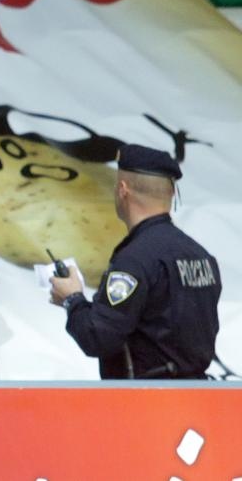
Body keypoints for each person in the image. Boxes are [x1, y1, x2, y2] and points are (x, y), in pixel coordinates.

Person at [49, 144, 221, 379]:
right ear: (171, 194)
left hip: (147, 402)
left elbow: (98, 338)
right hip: (197, 399)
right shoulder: (201, 255)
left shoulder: (134, 261)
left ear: (122, 189)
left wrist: (73, 299)